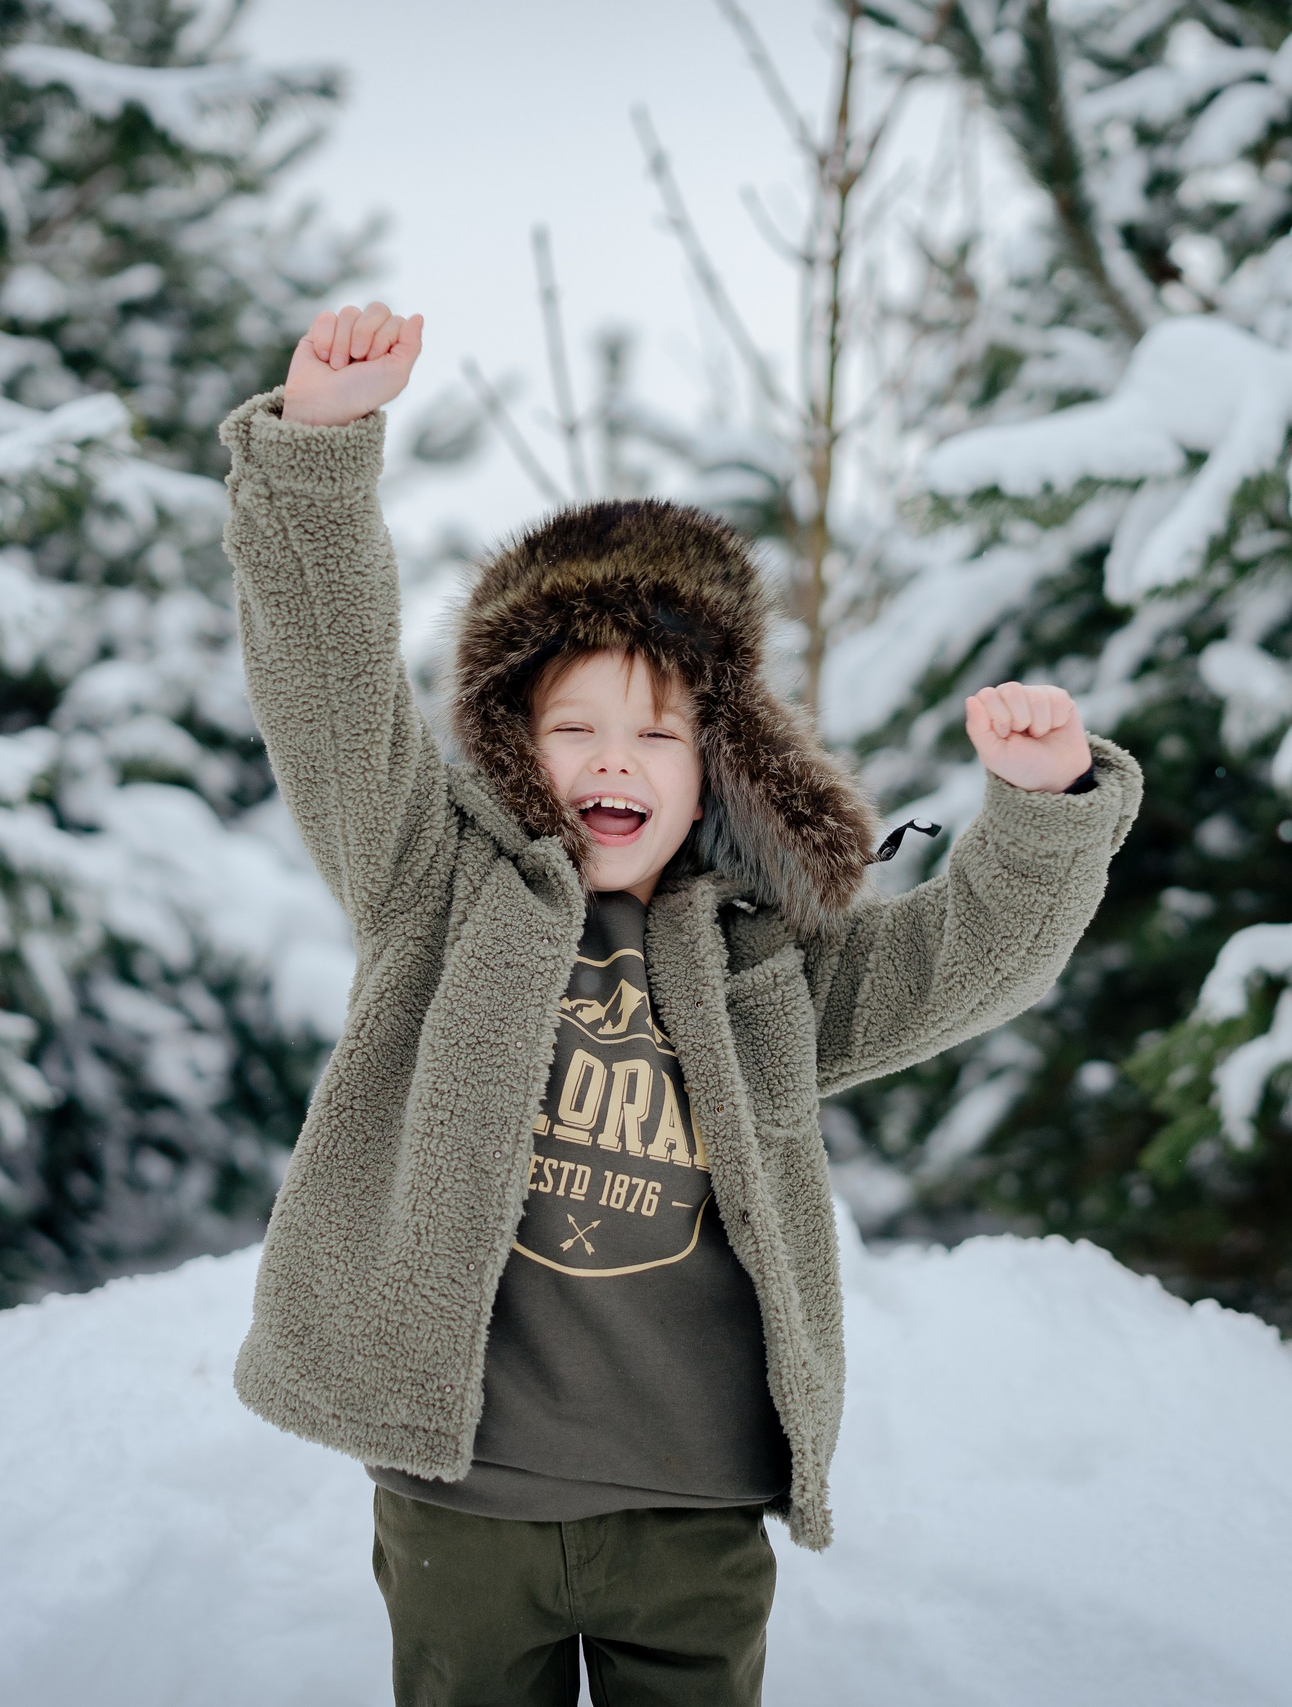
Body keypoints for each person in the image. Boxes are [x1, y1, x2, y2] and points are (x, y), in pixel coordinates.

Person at [220, 301, 1143, 1706]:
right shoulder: (433, 885)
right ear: (512, 743)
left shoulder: (760, 966)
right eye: (575, 723)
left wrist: (1044, 813)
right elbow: (329, 689)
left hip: (695, 1511)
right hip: (463, 1502)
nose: (617, 758)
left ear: (721, 765)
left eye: (659, 731)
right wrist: (320, 455)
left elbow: (969, 959)